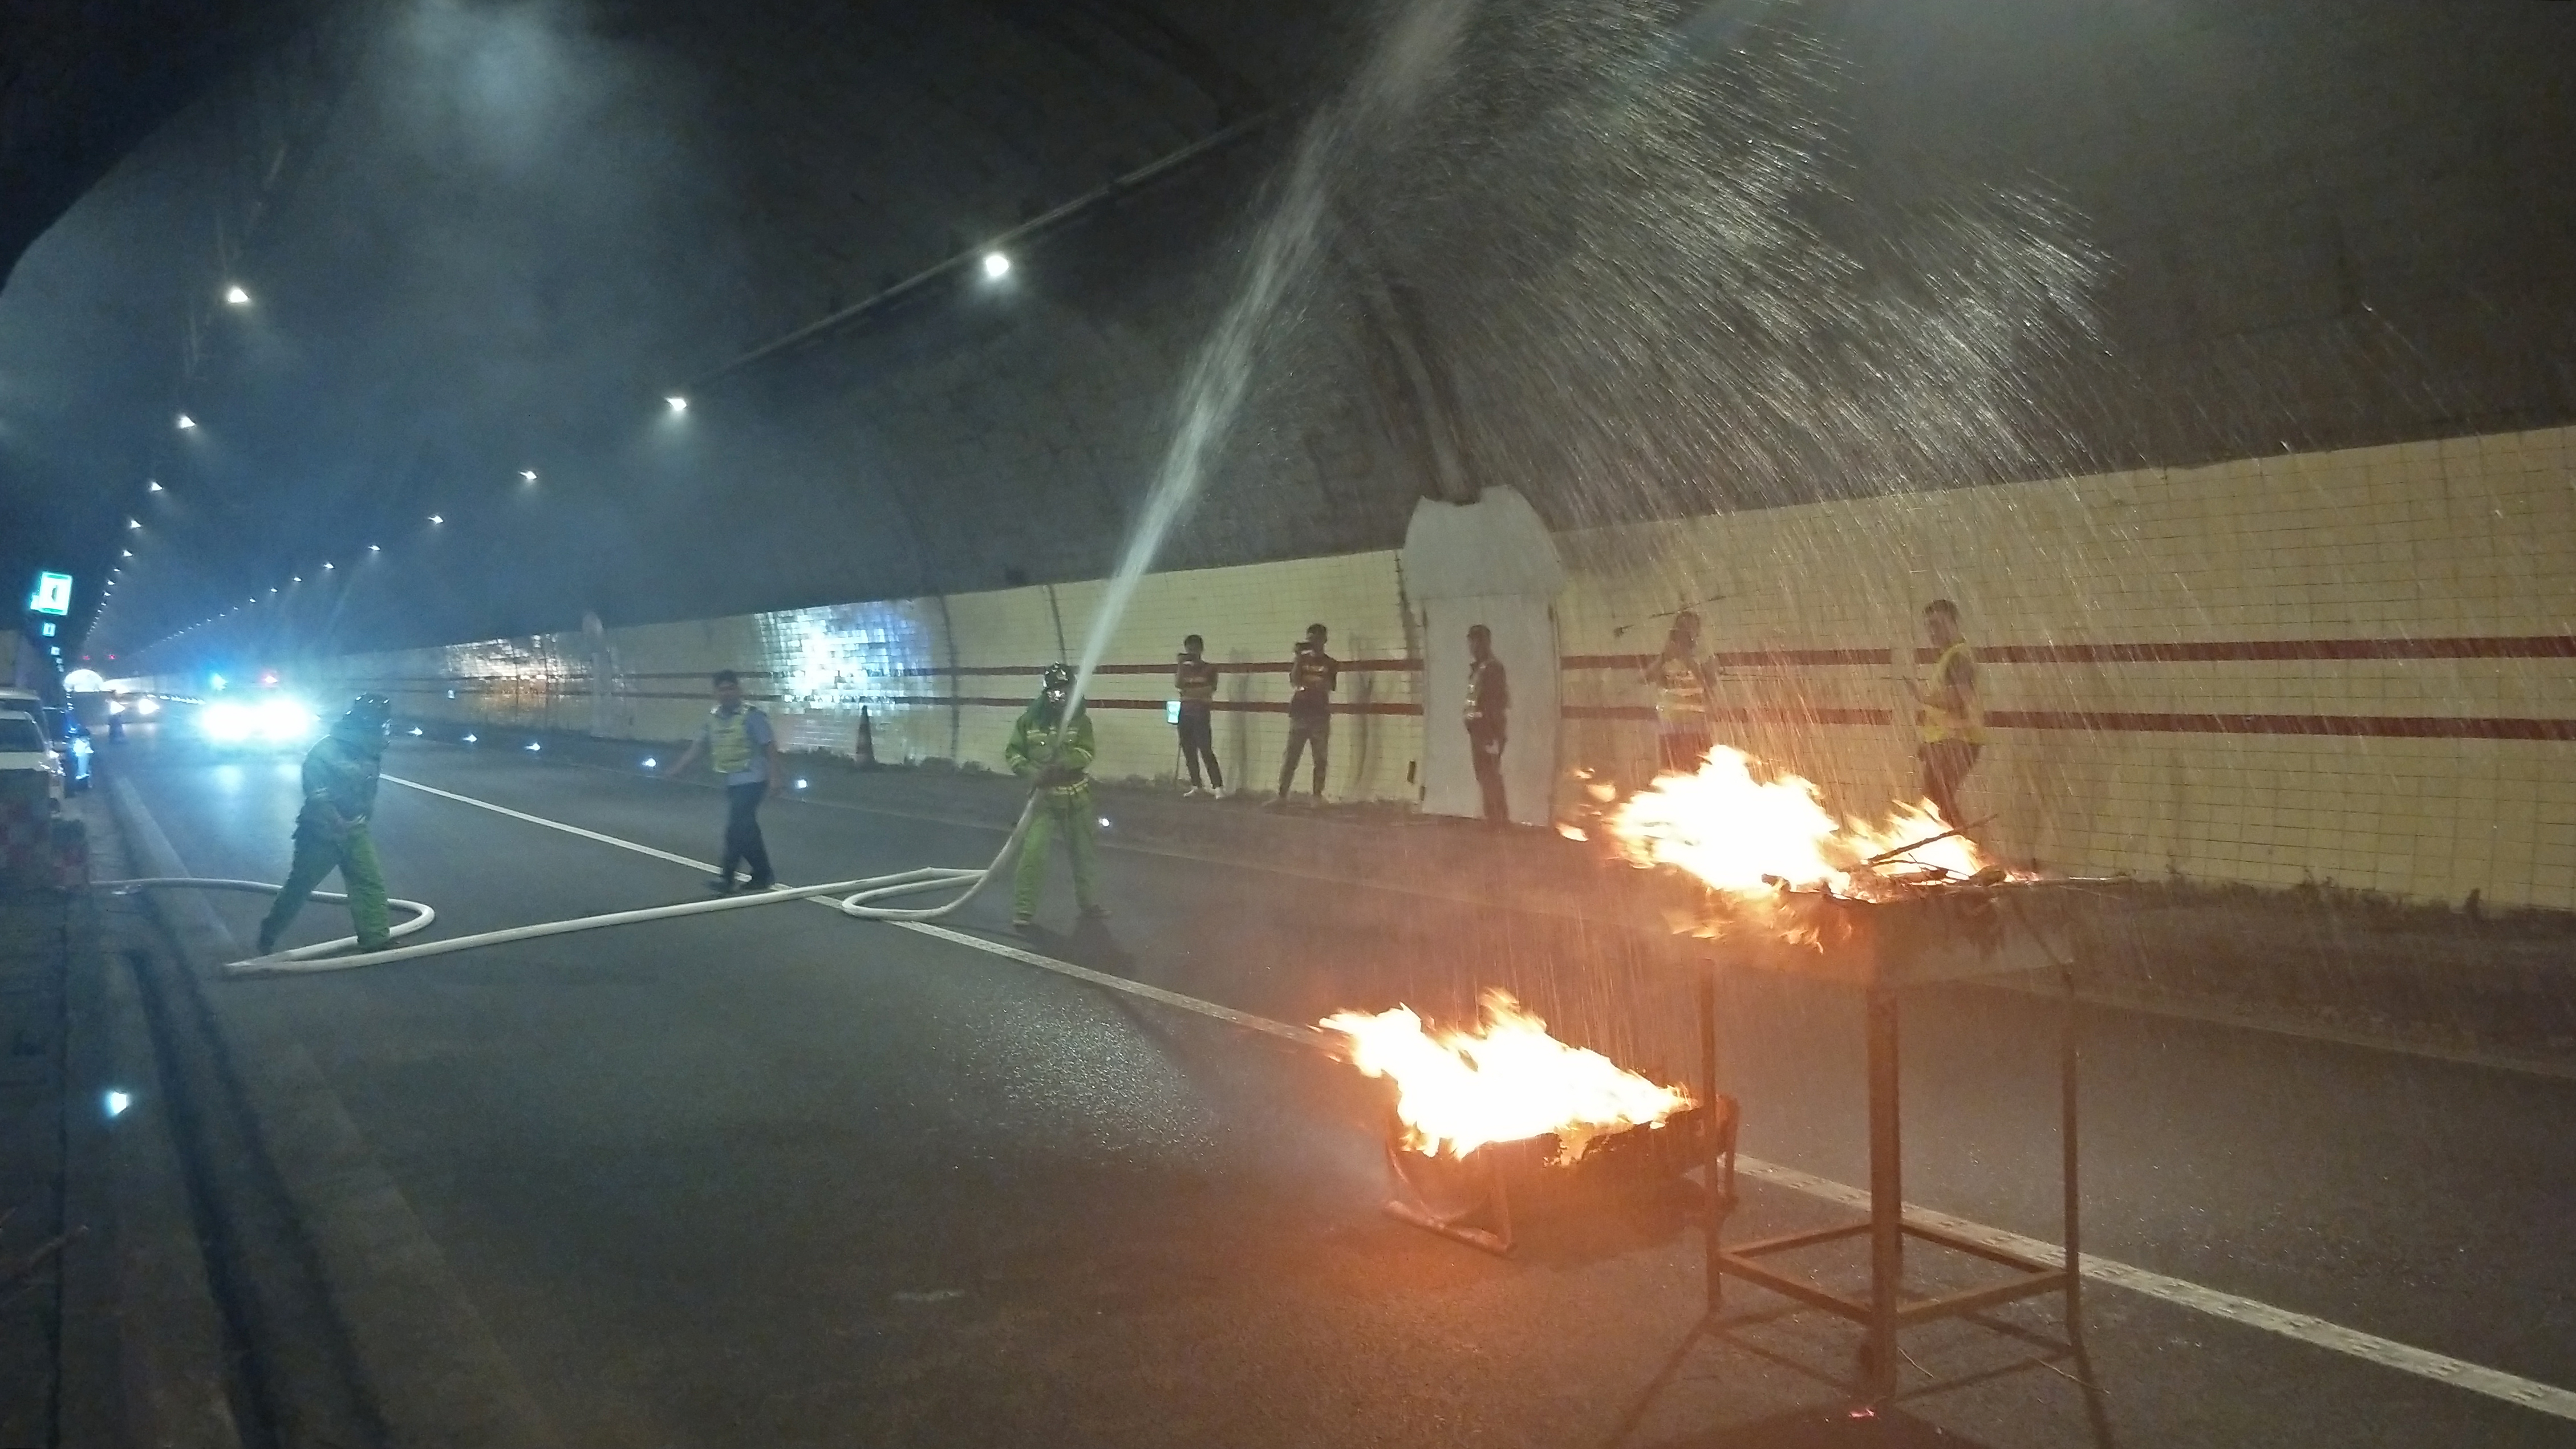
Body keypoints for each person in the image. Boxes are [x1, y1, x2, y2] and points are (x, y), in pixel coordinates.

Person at [255, 694, 395, 956]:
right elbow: (316, 792)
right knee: (300, 887)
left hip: (355, 831)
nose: (384, 729)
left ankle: (375, 939)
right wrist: (336, 820)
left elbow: (366, 789)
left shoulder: (369, 749)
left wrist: (360, 817)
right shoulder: (325, 751)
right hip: (320, 833)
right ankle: (270, 932)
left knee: (368, 883)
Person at [663, 669, 780, 893]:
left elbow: (770, 747)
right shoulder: (714, 718)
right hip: (732, 780)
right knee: (745, 829)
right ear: (715, 693)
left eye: (731, 688)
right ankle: (760, 874)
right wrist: (678, 768)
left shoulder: (752, 716)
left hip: (753, 779)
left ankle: (732, 877)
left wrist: (775, 778)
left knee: (737, 828)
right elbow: (699, 746)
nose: (727, 693)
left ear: (739, 690)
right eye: (722, 689)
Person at [1005, 664, 1105, 928]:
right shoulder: (1028, 721)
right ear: (1046, 691)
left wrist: (1065, 765)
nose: (1060, 695)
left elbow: (1087, 751)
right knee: (1033, 854)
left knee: (1084, 854)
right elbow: (1013, 753)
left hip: (1077, 799)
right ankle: (1023, 911)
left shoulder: (1081, 720)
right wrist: (1033, 774)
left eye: (1065, 690)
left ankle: (1089, 904)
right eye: (1055, 690)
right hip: (1044, 801)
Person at [1901, 599, 1984, 827]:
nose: (1932, 632)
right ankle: (1963, 843)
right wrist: (1929, 741)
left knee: (1935, 803)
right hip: (1948, 742)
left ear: (1955, 623)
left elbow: (1958, 699)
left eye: (1938, 625)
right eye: (1929, 626)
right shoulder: (1950, 656)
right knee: (1935, 802)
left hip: (1957, 742)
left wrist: (1923, 697)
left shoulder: (1958, 657)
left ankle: (1966, 843)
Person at [1642, 610, 1711, 773]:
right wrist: (1664, 658)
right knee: (1671, 772)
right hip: (1669, 723)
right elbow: (1647, 678)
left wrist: (1686, 658)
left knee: (1698, 770)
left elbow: (1709, 681)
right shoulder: (1667, 654)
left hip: (1695, 723)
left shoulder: (1704, 654)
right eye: (1681, 626)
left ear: (1697, 631)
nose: (1684, 631)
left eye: (1689, 627)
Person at [1275, 623, 1337, 805]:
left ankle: (1317, 796)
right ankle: (1282, 795)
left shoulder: (1331, 663)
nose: (1313, 643)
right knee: (1291, 757)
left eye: (1317, 639)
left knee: (1320, 758)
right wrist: (1297, 658)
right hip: (1300, 713)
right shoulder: (1302, 660)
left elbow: (1328, 686)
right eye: (1310, 639)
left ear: (1324, 640)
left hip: (1319, 715)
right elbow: (1295, 681)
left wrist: (1309, 684)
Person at [1464, 623, 1511, 825]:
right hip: (1480, 730)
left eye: (1476, 642)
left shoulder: (1491, 669)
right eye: (1471, 642)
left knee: (1489, 774)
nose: (1472, 646)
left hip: (1487, 731)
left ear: (1485, 643)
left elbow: (1494, 703)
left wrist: (1491, 733)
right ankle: (1495, 818)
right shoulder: (1481, 668)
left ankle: (1498, 819)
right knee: (1486, 774)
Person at [1174, 635, 1223, 798]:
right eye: (1189, 649)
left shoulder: (1210, 669)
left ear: (1201, 649)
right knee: (1188, 749)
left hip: (1201, 713)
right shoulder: (1184, 669)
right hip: (1185, 712)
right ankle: (1196, 785)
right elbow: (1178, 685)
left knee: (1206, 749)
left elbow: (1210, 689)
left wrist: (1189, 692)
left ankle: (1218, 786)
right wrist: (1180, 665)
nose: (1191, 652)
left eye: (1194, 649)